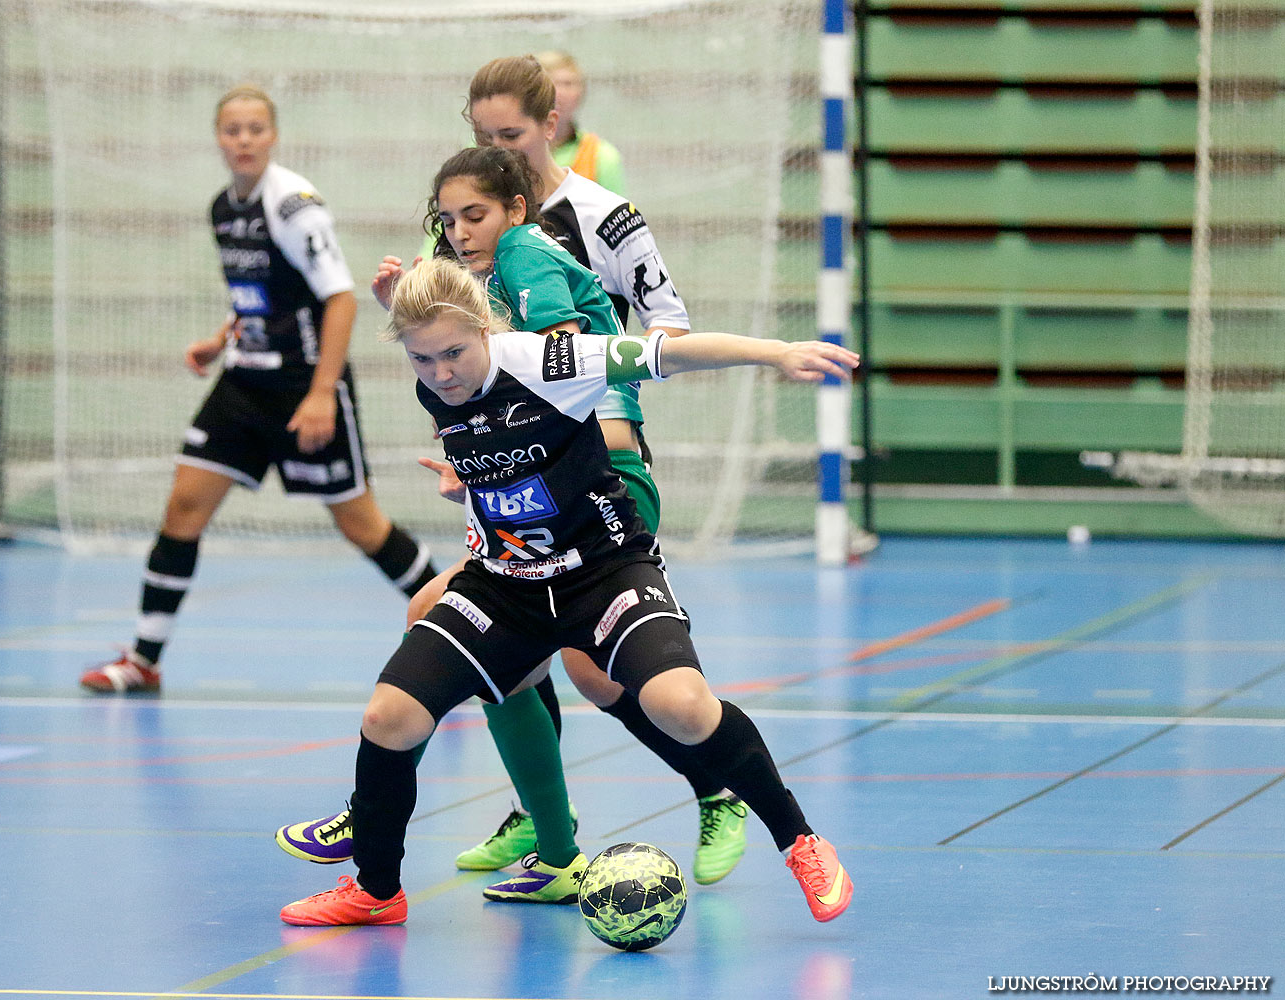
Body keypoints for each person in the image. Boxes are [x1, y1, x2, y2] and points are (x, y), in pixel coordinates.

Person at [280, 57, 751, 888]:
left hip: (594, 461)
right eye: (483, 135)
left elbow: (664, 327)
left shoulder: (600, 220)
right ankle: (549, 832)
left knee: (584, 670)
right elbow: (450, 343)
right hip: (505, 471)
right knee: (493, 647)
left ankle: (706, 786)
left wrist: (600, 419)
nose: (499, 146)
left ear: (551, 121)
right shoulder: (465, 223)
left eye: (511, 134)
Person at [276, 256, 858, 928]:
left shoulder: (548, 361)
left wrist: (776, 353)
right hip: (507, 585)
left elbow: (673, 350)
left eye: (454, 353)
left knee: (683, 707)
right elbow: (507, 455)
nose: (441, 373)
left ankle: (801, 841)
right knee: (388, 718)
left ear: (484, 330)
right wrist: (475, 486)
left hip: (602, 570)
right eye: (422, 359)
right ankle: (376, 891)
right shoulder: (436, 377)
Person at [79, 85, 438, 694]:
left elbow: (340, 299)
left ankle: (456, 640)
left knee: (361, 525)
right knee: (183, 507)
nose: (243, 139)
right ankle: (144, 659)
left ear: (272, 136)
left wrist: (322, 392)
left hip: (304, 384)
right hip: (244, 381)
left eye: (255, 129)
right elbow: (264, 295)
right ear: (219, 138)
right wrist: (221, 338)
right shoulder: (223, 207)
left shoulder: (294, 206)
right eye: (232, 130)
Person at [536, 50, 625, 193]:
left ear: (581, 92)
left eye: (568, 84)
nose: (560, 93)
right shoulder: (516, 149)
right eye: (551, 83)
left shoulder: (601, 155)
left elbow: (618, 213)